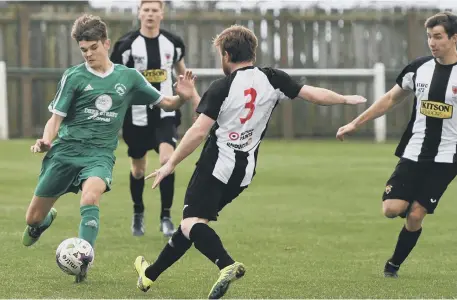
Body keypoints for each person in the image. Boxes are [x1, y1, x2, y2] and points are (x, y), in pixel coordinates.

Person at [132, 25, 366, 299]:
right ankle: (149, 276)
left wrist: (170, 164)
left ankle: (226, 264)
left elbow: (198, 130)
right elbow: (313, 93)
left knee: (190, 223)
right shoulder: (273, 78)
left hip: (216, 166)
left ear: (227, 54)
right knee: (194, 224)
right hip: (243, 172)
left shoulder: (222, 87)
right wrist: (345, 99)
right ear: (252, 52)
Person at [22, 14, 196, 283]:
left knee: (91, 197)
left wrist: (183, 97)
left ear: (106, 43)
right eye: (83, 50)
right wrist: (45, 140)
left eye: (93, 48)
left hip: (99, 155)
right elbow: (55, 119)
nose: (88, 54)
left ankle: (82, 262)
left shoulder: (129, 78)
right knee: (32, 218)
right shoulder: (74, 77)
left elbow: (167, 104)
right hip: (66, 152)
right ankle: (41, 224)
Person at [336, 12, 457, 278]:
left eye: (438, 37)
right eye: (429, 37)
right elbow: (390, 99)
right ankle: (413, 201)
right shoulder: (419, 68)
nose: (432, 43)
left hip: (447, 158)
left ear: (454, 38)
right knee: (392, 209)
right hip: (414, 151)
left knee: (415, 216)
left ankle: (393, 266)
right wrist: (355, 124)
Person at [111, 0, 197, 237]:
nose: (150, 14)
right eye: (145, 10)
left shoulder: (173, 43)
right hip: (136, 116)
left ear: (162, 13)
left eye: (154, 10)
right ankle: (138, 213)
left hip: (165, 113)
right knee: (138, 170)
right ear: (139, 13)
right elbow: (115, 77)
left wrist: (195, 99)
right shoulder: (126, 46)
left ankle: (166, 217)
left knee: (167, 160)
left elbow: (182, 74)